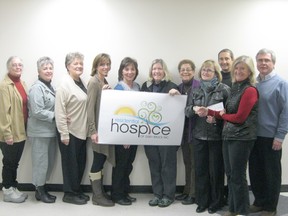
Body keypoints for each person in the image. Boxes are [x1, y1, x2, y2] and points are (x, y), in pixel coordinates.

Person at [197, 56, 259, 215]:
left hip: (242, 138)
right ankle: (233, 209)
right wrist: (208, 112)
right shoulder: (235, 87)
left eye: (242, 69)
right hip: (228, 136)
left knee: (238, 177)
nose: (238, 71)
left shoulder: (250, 90)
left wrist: (222, 116)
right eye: (236, 69)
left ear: (250, 71)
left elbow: (239, 117)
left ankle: (243, 211)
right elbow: (226, 112)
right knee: (231, 176)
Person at [185, 60, 230, 214]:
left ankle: (216, 202)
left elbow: (230, 114)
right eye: (203, 70)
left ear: (215, 73)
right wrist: (195, 108)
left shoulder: (224, 89)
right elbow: (187, 111)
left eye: (209, 70)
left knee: (216, 171)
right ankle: (202, 201)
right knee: (200, 171)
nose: (205, 72)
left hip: (217, 138)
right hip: (199, 137)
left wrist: (217, 117)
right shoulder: (195, 90)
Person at [249, 48, 288, 216]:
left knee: (271, 173)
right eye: (260, 60)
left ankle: (271, 207)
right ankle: (259, 201)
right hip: (252, 136)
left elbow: (286, 112)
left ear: (273, 63)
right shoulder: (254, 83)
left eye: (267, 60)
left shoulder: (281, 84)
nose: (263, 63)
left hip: (271, 137)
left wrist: (280, 136)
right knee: (255, 171)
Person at [141, 59, 179, 208]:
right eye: (154, 69)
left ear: (164, 71)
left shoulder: (172, 86)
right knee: (154, 164)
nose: (156, 71)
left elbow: (178, 108)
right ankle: (157, 194)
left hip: (166, 134)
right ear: (151, 71)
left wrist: (176, 94)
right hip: (149, 133)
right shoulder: (145, 86)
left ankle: (168, 195)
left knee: (167, 165)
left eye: (159, 69)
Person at [55, 52, 89, 205]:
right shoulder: (64, 84)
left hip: (81, 131)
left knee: (79, 163)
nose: (79, 66)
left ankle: (76, 190)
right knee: (70, 165)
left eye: (81, 63)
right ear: (68, 66)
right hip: (69, 132)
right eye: (75, 63)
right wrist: (64, 133)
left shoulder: (81, 82)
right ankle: (69, 194)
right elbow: (60, 110)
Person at [27, 56, 57, 203]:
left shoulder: (51, 87)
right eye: (45, 68)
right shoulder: (36, 88)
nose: (48, 70)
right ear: (39, 71)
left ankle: (43, 188)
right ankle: (39, 191)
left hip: (50, 132)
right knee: (41, 162)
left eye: (50, 68)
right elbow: (37, 111)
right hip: (39, 133)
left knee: (49, 162)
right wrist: (56, 115)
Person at [87, 53, 114, 207]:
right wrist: (93, 131)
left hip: (105, 130)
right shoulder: (93, 82)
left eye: (107, 64)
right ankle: (97, 196)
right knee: (98, 160)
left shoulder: (104, 81)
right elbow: (89, 109)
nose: (105, 67)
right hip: (97, 130)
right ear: (96, 66)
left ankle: (100, 192)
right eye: (102, 64)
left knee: (102, 159)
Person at [111, 57, 140, 205]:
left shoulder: (137, 87)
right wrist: (124, 137)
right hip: (122, 135)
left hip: (135, 134)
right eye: (126, 69)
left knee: (128, 165)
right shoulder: (118, 88)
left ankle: (124, 192)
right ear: (121, 71)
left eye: (132, 69)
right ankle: (116, 194)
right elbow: (118, 115)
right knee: (120, 165)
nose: (129, 72)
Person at [171, 59, 200, 205]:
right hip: (183, 133)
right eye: (182, 69)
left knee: (195, 164)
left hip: (196, 132)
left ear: (194, 71)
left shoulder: (199, 86)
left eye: (188, 69)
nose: (185, 72)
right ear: (179, 72)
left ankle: (194, 194)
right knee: (187, 163)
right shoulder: (179, 88)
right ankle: (187, 190)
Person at [0, 56, 28, 203]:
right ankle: (7, 190)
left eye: (20, 65)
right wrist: (7, 134)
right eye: (14, 65)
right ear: (8, 67)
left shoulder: (22, 83)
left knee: (15, 162)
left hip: (20, 130)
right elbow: (3, 113)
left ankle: (13, 186)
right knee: (9, 162)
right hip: (9, 133)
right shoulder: (5, 86)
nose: (18, 67)